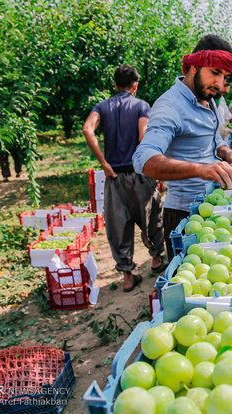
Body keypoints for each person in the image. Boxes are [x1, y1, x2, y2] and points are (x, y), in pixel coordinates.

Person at [132, 34, 232, 261]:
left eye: (224, 76)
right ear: (193, 66)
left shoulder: (208, 99)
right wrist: (200, 169)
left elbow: (215, 142)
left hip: (214, 205)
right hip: (185, 215)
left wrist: (228, 153)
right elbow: (143, 159)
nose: (219, 83)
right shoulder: (170, 106)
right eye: (215, 73)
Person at [83, 64, 166, 293]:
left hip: (114, 175)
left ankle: (128, 275)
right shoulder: (141, 106)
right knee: (151, 217)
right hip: (138, 173)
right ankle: (157, 259)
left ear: (115, 85)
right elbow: (143, 136)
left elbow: (88, 129)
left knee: (119, 225)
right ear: (135, 86)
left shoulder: (102, 106)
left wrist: (103, 163)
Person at [215, 75, 232, 140]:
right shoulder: (203, 101)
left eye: (229, 86)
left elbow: (227, 115)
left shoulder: (221, 99)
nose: (227, 91)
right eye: (225, 85)